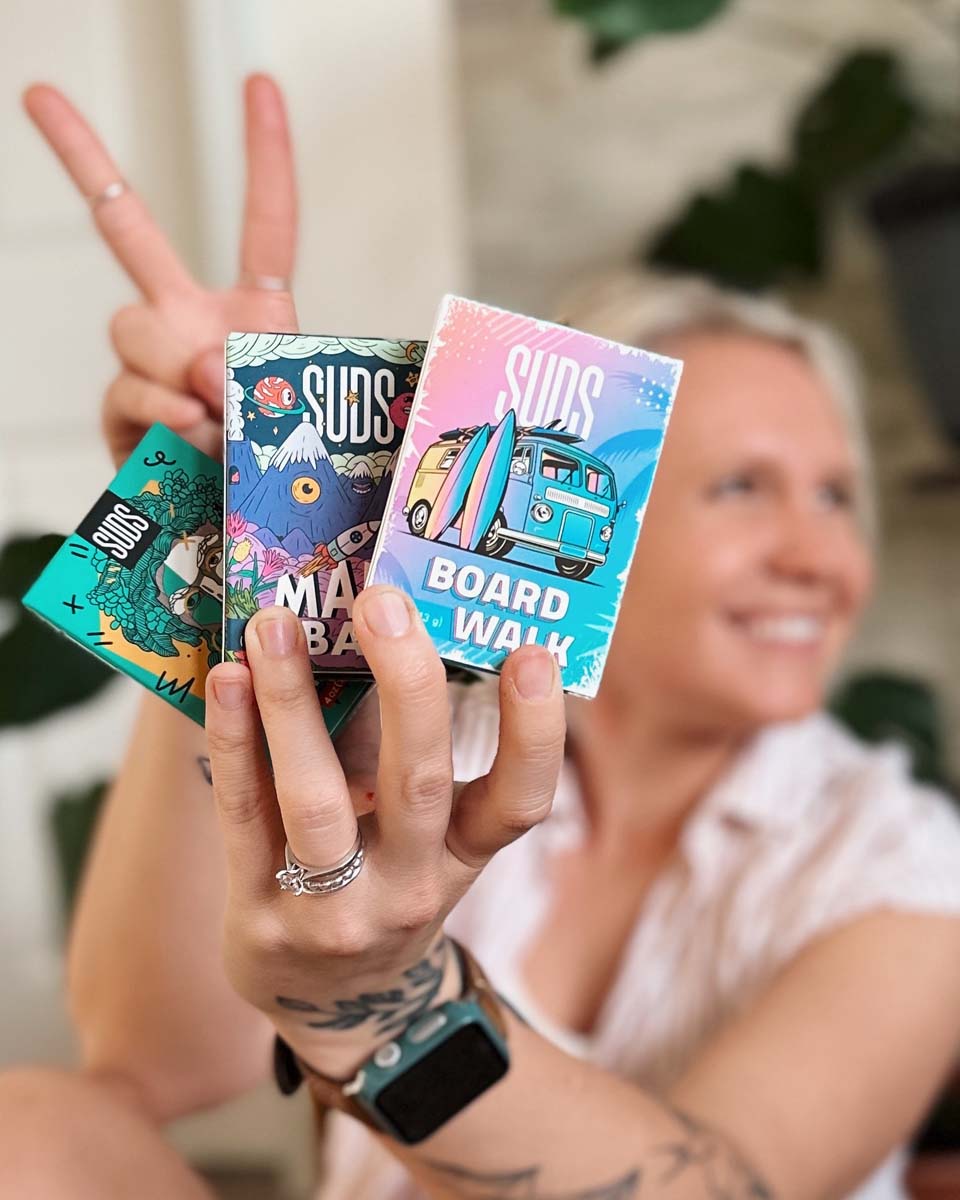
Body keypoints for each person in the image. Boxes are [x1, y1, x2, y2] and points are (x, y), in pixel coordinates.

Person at [4, 74, 960, 1200]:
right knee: (32, 1131)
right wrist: (242, 510)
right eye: (744, 488)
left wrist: (387, 1004)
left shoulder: (903, 859)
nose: (817, 556)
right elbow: (157, 1058)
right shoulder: (420, 727)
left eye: (838, 497)